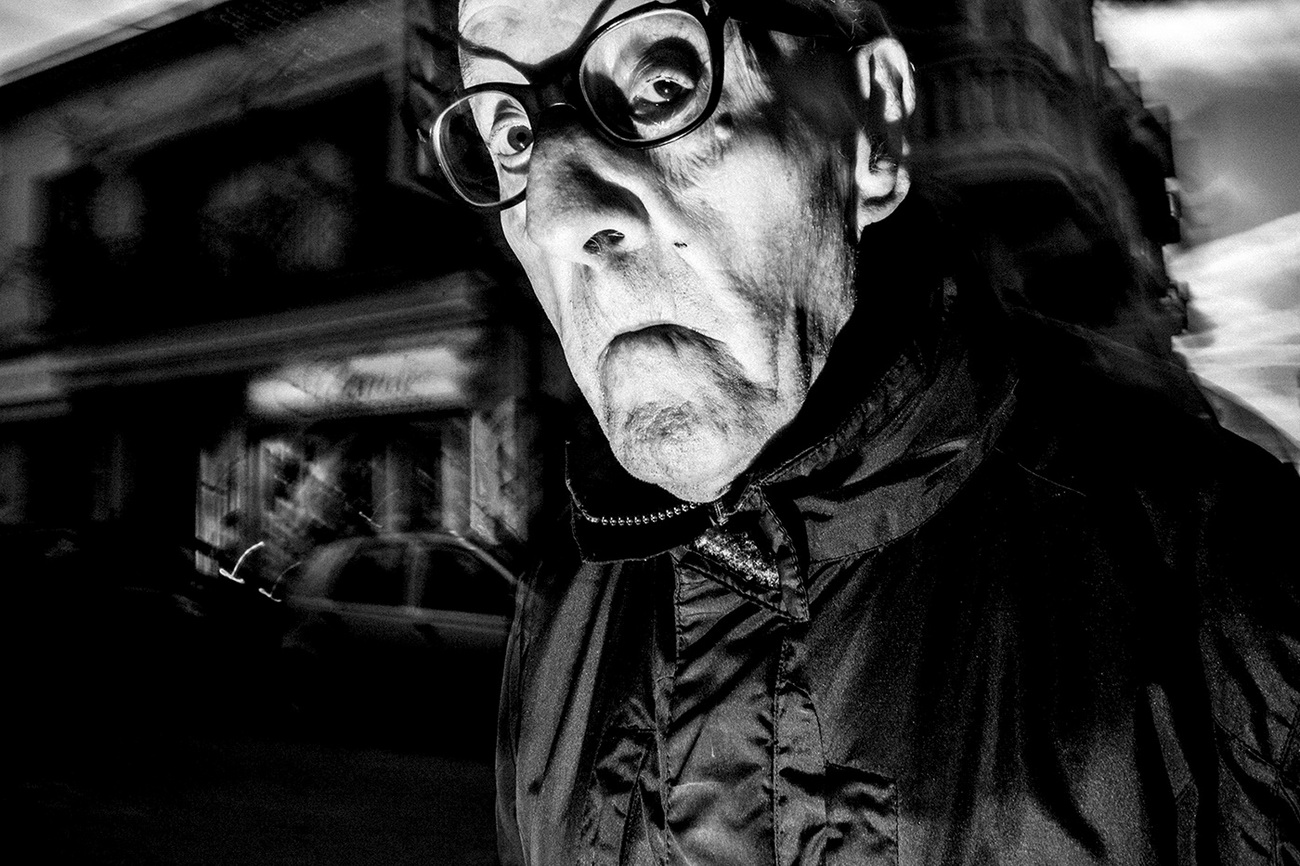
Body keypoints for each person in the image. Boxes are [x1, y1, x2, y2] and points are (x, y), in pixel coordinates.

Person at [428, 0, 1300, 862]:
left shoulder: (1233, 598)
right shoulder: (559, 617)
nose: (556, 211)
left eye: (662, 83)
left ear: (873, 123)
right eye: (514, 138)